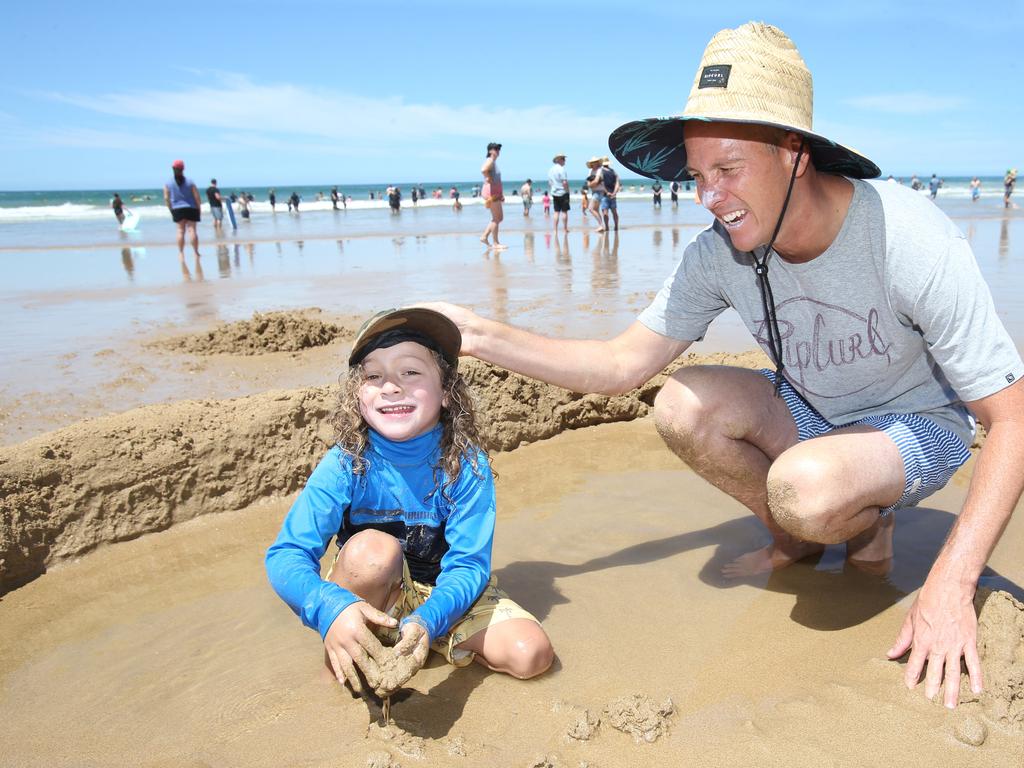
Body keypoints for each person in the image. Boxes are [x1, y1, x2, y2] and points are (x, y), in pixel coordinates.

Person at [425, 21, 1024, 711]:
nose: (710, 197)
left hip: (918, 424)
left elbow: (1008, 419)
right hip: (811, 410)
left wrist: (951, 583)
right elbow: (622, 363)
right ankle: (800, 534)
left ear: (794, 152)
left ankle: (860, 514)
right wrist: (473, 332)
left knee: (805, 487)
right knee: (681, 404)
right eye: (698, 176)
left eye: (729, 170)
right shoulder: (719, 253)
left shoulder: (909, 237)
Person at [265, 307, 554, 696]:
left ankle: (423, 639)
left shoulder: (468, 466)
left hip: (447, 596)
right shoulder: (345, 463)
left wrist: (428, 620)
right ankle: (347, 656)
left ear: (448, 392)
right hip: (375, 592)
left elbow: (469, 566)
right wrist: (328, 606)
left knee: (531, 654)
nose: (391, 386)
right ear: (357, 394)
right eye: (374, 375)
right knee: (371, 551)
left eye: (410, 372)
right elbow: (286, 554)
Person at [163, 159, 202, 260]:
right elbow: (197, 197)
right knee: (192, 230)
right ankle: (196, 252)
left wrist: (170, 209)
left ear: (173, 169)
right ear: (183, 169)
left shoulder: (168, 183)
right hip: (191, 208)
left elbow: (166, 198)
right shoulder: (190, 182)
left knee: (180, 231)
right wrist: (199, 208)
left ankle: (181, 253)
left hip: (177, 209)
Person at [480, 142, 506, 249]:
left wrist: (501, 194)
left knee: (498, 218)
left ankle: (485, 237)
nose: (498, 151)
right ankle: (495, 243)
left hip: (495, 193)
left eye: (499, 149)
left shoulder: (493, 162)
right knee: (497, 218)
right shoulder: (490, 160)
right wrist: (488, 178)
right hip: (491, 192)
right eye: (496, 149)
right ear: (490, 151)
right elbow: (483, 170)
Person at [547, 153, 570, 232]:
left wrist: (553, 190)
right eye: (563, 159)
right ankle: (565, 228)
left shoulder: (551, 170)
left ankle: (555, 229)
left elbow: (550, 183)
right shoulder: (561, 169)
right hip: (563, 192)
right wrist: (567, 191)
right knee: (564, 211)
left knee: (556, 212)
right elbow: (564, 182)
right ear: (559, 160)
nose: (565, 161)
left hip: (554, 192)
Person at [600, 158, 622, 232]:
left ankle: (608, 227)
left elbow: (601, 183)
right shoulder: (613, 171)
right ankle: (615, 227)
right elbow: (617, 182)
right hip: (611, 194)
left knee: (606, 212)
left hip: (605, 194)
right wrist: (614, 192)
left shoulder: (601, 171)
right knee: (613, 211)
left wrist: (609, 192)